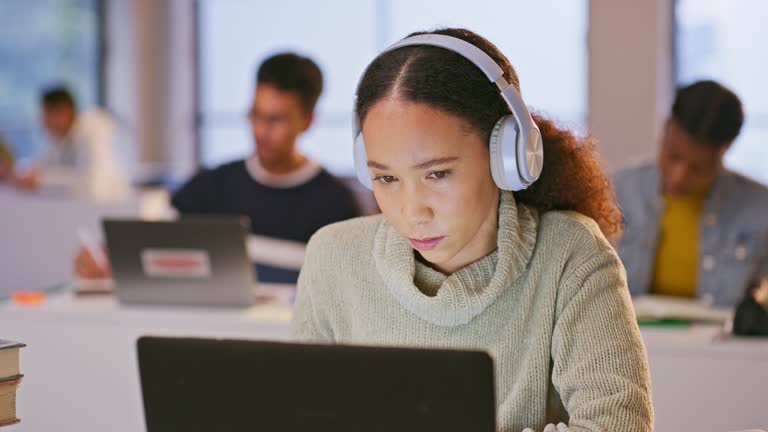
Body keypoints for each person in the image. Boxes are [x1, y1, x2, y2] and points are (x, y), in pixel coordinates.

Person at [291, 28, 652, 431]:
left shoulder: (570, 254)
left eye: (438, 173)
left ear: (509, 157)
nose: (413, 211)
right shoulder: (333, 257)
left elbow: (619, 426)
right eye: (387, 179)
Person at [74, 53, 361, 282]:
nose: (260, 131)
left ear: (308, 121)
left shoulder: (335, 203)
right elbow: (151, 246)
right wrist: (108, 260)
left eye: (276, 120)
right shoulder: (212, 185)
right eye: (255, 115)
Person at [615, 80, 768, 308]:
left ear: (724, 150)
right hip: (631, 337)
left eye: (698, 169)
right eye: (672, 156)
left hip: (720, 342)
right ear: (666, 128)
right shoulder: (618, 190)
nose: (678, 177)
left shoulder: (759, 208)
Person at [14, 86, 131, 201]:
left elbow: (91, 185)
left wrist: (43, 180)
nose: (42, 122)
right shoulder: (60, 139)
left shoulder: (94, 129)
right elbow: (40, 169)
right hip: (85, 209)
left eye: (45, 115)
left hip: (113, 207)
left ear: (63, 112)